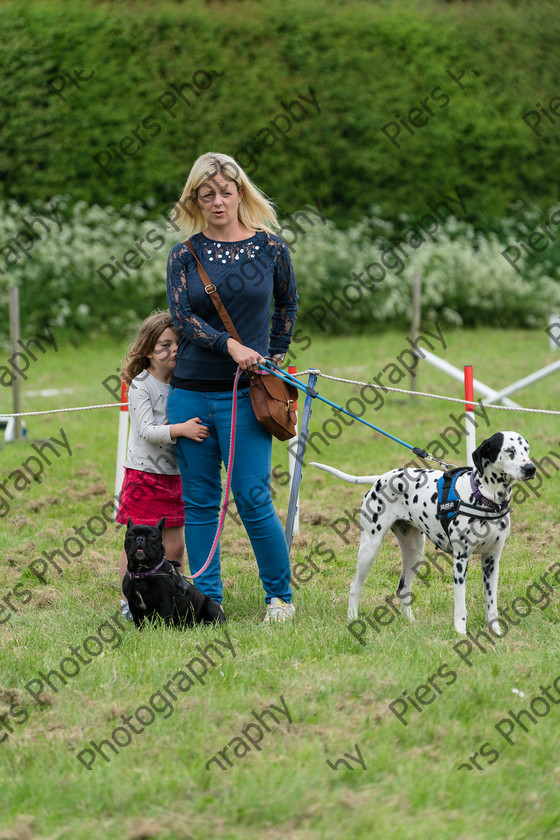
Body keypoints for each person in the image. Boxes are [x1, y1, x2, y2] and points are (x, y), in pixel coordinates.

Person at [166, 151, 298, 623]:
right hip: (191, 392)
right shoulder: (184, 254)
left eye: (225, 191)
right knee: (200, 500)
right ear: (195, 200)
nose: (218, 201)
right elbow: (182, 317)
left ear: (240, 192)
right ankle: (209, 599)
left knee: (253, 496)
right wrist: (231, 347)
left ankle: (280, 598)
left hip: (248, 396)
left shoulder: (271, 248)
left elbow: (287, 304)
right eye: (207, 194)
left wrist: (275, 357)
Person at [116, 310, 209, 620]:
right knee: (137, 544)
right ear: (147, 350)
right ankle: (130, 603)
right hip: (144, 476)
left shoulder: (183, 381)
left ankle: (164, 599)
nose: (173, 351)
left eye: (178, 344)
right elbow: (145, 430)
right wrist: (181, 429)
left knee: (174, 548)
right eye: (164, 345)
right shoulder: (141, 384)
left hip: (174, 477)